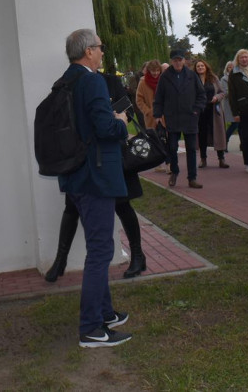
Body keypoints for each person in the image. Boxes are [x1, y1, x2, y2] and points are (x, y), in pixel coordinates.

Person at [54, 29, 132, 348]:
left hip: (76, 175)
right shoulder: (92, 80)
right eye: (99, 48)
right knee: (101, 250)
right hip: (96, 175)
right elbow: (103, 127)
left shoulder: (64, 81)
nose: (102, 52)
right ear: (88, 52)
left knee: (97, 246)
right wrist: (121, 122)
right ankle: (91, 328)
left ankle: (105, 313)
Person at [153, 49, 206, 189]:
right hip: (172, 117)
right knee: (172, 147)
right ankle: (174, 172)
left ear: (184, 60)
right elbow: (159, 97)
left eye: (180, 59)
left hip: (190, 117)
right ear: (171, 61)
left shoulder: (191, 75)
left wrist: (196, 109)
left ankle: (192, 178)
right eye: (175, 60)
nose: (177, 62)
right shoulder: (165, 77)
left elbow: (202, 95)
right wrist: (157, 115)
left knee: (191, 149)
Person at [194, 60, 228, 168]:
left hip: (213, 110)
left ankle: (221, 159)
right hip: (200, 112)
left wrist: (216, 97)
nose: (200, 67)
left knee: (218, 134)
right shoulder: (193, 80)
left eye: (202, 65)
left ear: (206, 67)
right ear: (195, 68)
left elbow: (222, 92)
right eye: (198, 66)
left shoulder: (213, 78)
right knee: (202, 135)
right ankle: (203, 159)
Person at [135, 60, 167, 174]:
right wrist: (147, 111)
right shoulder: (143, 82)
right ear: (148, 70)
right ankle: (158, 165)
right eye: (153, 70)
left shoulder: (164, 80)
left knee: (166, 138)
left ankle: (169, 163)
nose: (155, 73)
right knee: (154, 139)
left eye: (157, 70)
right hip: (150, 116)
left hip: (164, 115)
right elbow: (139, 100)